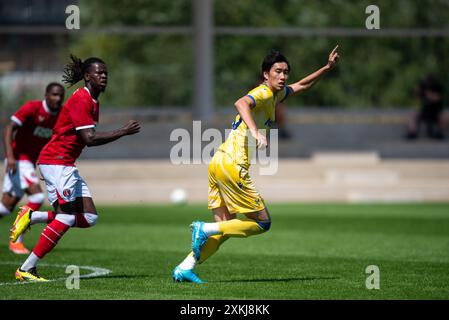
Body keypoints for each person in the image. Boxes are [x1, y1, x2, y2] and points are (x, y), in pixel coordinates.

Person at [172, 46, 340, 283]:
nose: (283, 76)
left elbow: (301, 86)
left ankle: (185, 267)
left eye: (285, 72)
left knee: (226, 228)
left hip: (218, 162)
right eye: (278, 71)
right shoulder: (262, 92)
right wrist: (255, 132)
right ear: (265, 74)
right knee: (262, 222)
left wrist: (326, 68)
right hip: (232, 165)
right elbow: (241, 103)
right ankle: (204, 229)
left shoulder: (276, 95)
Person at [10, 55, 141, 281]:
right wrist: (122, 131)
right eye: (99, 73)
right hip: (57, 162)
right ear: (87, 76)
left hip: (65, 164)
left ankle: (32, 216)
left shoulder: (93, 101)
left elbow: (84, 138)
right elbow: (89, 138)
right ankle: (26, 268)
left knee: (89, 217)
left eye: (106, 73)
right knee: (67, 218)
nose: (104, 76)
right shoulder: (82, 99)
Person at [1, 83, 64, 254]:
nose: (57, 99)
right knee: (36, 196)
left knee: (6, 207)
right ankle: (16, 240)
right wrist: (10, 156)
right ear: (46, 95)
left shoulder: (59, 115)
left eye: (60, 96)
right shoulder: (32, 108)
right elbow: (8, 129)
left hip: (29, 162)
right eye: (54, 95)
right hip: (19, 159)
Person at [405, 74, 446, 140]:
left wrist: (428, 93)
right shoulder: (423, 88)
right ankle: (412, 133)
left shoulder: (437, 87)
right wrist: (417, 90)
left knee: (443, 117)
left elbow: (437, 98)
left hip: (436, 112)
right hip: (425, 111)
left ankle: (440, 133)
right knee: (412, 114)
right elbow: (414, 96)